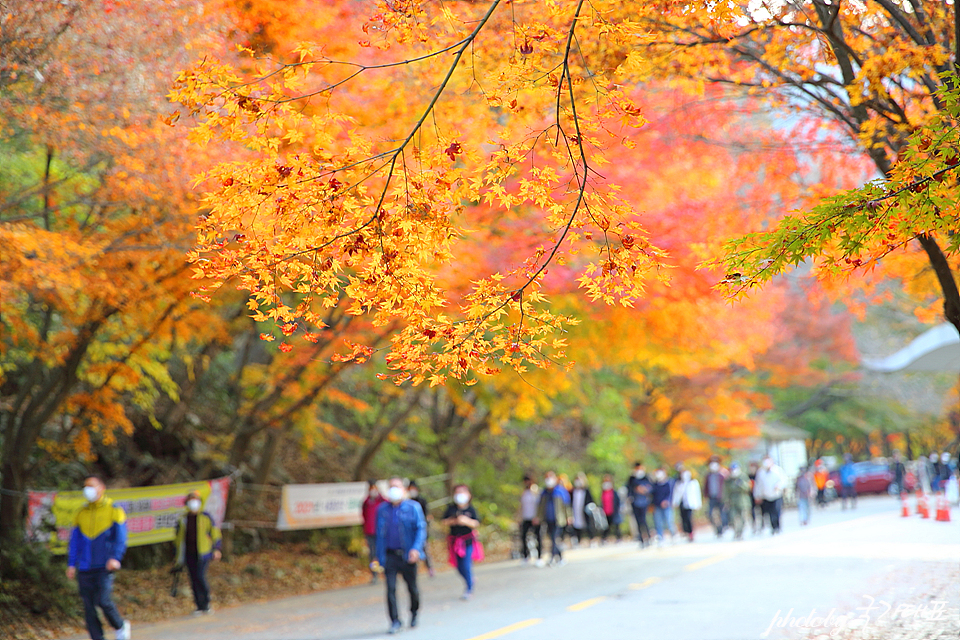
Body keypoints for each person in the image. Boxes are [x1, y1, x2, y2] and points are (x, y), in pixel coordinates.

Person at [66, 475, 131, 640]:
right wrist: (71, 563)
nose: (88, 490)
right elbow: (75, 541)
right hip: (85, 567)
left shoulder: (114, 509)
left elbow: (121, 537)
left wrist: (115, 557)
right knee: (88, 607)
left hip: (104, 565)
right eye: (85, 486)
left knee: (103, 600)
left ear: (101, 488)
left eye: (92, 486)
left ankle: (120, 625)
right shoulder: (81, 512)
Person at [374, 477, 427, 634]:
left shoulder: (413, 507)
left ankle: (414, 612)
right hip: (390, 555)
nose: (393, 489)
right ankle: (395, 620)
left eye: (396, 486)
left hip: (407, 554)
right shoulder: (382, 510)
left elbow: (421, 529)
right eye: (391, 487)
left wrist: (416, 549)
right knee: (390, 589)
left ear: (404, 490)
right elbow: (379, 536)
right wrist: (378, 557)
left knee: (412, 587)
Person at [173, 490, 222, 614]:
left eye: (195, 500)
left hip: (203, 553)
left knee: (200, 576)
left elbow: (215, 533)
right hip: (188, 553)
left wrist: (216, 548)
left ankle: (206, 602)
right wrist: (177, 555)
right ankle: (199, 606)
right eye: (190, 501)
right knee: (193, 579)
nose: (193, 503)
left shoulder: (205, 517)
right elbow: (177, 538)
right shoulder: (182, 519)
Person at [442, 484, 481, 599]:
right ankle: (470, 579)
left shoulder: (471, 509)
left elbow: (476, 523)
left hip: (467, 541)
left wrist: (465, 521)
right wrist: (454, 521)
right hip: (454, 541)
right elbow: (444, 522)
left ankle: (469, 588)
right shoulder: (451, 508)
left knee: (466, 564)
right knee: (459, 567)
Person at [537, 471, 570, 565]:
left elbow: (567, 506)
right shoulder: (544, 492)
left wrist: (569, 517)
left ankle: (552, 557)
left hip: (559, 520)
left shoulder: (560, 491)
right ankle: (560, 557)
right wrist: (538, 517)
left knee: (554, 538)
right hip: (548, 519)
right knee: (553, 538)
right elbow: (540, 507)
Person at [753, 456, 788, 534]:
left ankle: (777, 526)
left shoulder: (777, 470)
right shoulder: (760, 472)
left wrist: (778, 486)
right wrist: (757, 495)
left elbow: (784, 480)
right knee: (769, 513)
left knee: (776, 511)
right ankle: (773, 527)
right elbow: (758, 485)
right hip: (766, 496)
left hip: (776, 495)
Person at [407, 480, 435, 577]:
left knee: (424, 548)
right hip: (409, 530)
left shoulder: (422, 500)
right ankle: (415, 569)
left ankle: (430, 568)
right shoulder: (407, 502)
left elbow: (427, 515)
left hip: (421, 528)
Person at [362, 480, 385, 584]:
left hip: (381, 532)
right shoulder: (366, 502)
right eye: (371, 488)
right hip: (370, 532)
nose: (373, 490)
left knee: (383, 552)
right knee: (372, 554)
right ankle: (374, 574)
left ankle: (385, 571)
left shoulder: (382, 501)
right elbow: (364, 516)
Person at [625, 462, 652, 547]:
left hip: (644, 501)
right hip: (635, 501)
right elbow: (628, 489)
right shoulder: (632, 478)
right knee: (637, 520)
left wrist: (644, 490)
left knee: (644, 520)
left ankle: (648, 536)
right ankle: (641, 538)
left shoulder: (646, 477)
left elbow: (651, 488)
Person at [723, 462, 751, 540]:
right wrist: (726, 501)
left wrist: (741, 484)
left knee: (743, 518)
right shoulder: (728, 480)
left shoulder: (743, 477)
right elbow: (726, 491)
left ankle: (741, 532)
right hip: (732, 502)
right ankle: (736, 532)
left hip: (742, 501)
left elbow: (748, 488)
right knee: (733, 517)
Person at [673, 468, 702, 541]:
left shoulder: (693, 483)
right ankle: (685, 532)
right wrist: (675, 502)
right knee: (683, 518)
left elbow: (697, 493)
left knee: (689, 518)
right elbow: (676, 494)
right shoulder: (679, 483)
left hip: (690, 503)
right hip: (682, 503)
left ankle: (690, 532)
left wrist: (698, 503)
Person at [518, 475, 542, 563]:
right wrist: (519, 517)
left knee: (537, 537)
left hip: (535, 518)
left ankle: (539, 556)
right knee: (523, 536)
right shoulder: (524, 492)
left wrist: (537, 517)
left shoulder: (536, 490)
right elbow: (521, 506)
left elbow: (539, 505)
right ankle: (525, 555)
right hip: (526, 517)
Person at [650, 467, 677, 546]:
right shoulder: (655, 485)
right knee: (658, 522)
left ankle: (673, 535)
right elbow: (652, 495)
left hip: (667, 506)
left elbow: (671, 494)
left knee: (669, 521)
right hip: (657, 506)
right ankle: (660, 537)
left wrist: (667, 501)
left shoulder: (669, 483)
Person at [570, 473, 595, 546]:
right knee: (576, 526)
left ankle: (591, 540)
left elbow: (591, 501)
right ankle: (578, 541)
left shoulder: (586, 490)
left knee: (588, 525)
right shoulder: (573, 491)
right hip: (575, 511)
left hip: (585, 511)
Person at [703, 456, 726, 537]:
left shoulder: (723, 474)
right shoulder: (708, 476)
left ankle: (722, 528)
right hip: (711, 497)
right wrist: (705, 496)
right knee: (710, 514)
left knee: (722, 514)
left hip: (721, 498)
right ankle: (718, 529)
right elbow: (705, 487)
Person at [599, 474, 622, 543]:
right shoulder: (603, 492)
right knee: (607, 526)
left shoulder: (614, 492)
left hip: (614, 511)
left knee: (616, 525)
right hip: (605, 512)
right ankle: (604, 538)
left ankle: (618, 538)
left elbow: (617, 501)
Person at [747, 461, 760, 533]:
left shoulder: (759, 475)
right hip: (751, 495)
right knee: (752, 511)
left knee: (761, 511)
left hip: (759, 495)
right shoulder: (748, 476)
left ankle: (762, 524)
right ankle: (754, 525)